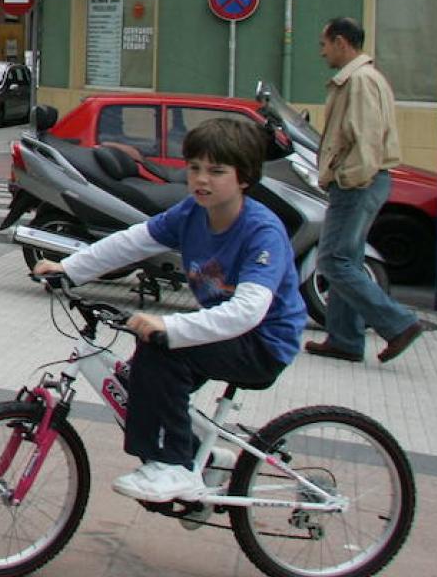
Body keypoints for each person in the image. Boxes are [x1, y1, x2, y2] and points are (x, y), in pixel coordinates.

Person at [34, 115, 306, 502]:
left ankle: (174, 468)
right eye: (194, 168)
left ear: (244, 178)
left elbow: (249, 310)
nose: (202, 180)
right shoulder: (191, 213)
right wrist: (70, 269)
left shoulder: (261, 230)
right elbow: (134, 241)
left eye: (216, 171)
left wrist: (172, 327)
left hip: (262, 342)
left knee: (161, 355)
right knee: (141, 380)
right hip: (222, 333)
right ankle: (203, 457)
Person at [305, 17, 437, 364]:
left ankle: (399, 324)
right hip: (361, 180)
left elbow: (365, 139)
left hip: (358, 182)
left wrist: (349, 179)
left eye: (324, 44)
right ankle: (345, 340)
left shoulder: (360, 81)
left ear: (340, 42)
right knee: (346, 259)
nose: (322, 52)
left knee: (333, 260)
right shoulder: (360, 78)